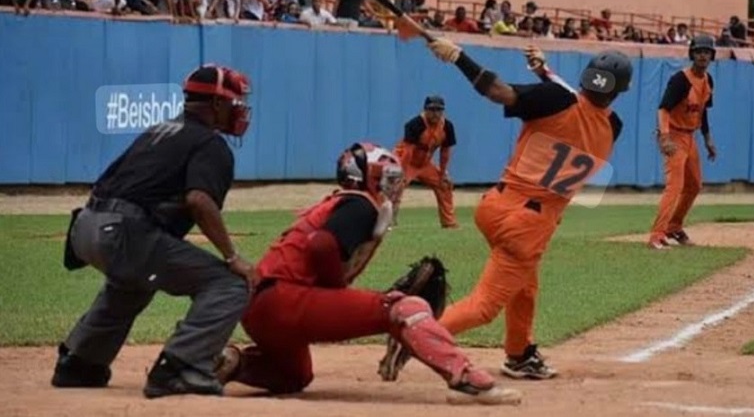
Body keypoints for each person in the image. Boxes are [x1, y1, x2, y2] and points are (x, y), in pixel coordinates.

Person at [380, 37, 630, 381]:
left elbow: (501, 91)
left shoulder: (556, 100)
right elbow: (582, 104)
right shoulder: (612, 126)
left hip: (495, 205)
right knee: (484, 307)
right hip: (528, 225)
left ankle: (519, 354)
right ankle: (414, 334)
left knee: (525, 286)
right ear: (622, 91)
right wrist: (545, 72)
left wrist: (459, 58)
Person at [212, 142, 520, 405]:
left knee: (294, 376)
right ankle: (466, 380)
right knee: (403, 307)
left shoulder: (340, 202)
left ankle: (232, 363)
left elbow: (318, 248)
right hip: (285, 300)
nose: (393, 185)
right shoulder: (360, 204)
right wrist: (336, 290)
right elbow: (321, 246)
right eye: (386, 177)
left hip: (260, 308)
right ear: (364, 177)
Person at [51, 64, 257, 399]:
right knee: (229, 284)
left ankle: (80, 363)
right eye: (234, 102)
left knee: (134, 281)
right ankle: (181, 367)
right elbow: (199, 200)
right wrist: (232, 257)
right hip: (122, 231)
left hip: (85, 227)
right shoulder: (210, 143)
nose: (239, 110)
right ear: (216, 104)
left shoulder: (160, 129)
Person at [648, 35, 717, 249]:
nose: (703, 55)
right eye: (699, 51)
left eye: (707, 52)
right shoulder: (681, 79)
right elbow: (663, 108)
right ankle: (657, 235)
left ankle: (674, 226)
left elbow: (702, 112)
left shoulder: (708, 80)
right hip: (675, 135)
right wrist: (664, 136)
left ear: (712, 56)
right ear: (692, 55)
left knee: (694, 185)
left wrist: (707, 139)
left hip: (691, 136)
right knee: (674, 186)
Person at [393, 95, 458, 228]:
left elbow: (445, 152)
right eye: (432, 109)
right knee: (396, 186)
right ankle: (388, 221)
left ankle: (449, 223)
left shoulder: (447, 126)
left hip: (424, 164)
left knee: (444, 185)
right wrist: (402, 173)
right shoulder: (415, 124)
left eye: (439, 110)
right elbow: (407, 152)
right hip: (405, 160)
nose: (435, 113)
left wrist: (443, 172)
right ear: (425, 110)